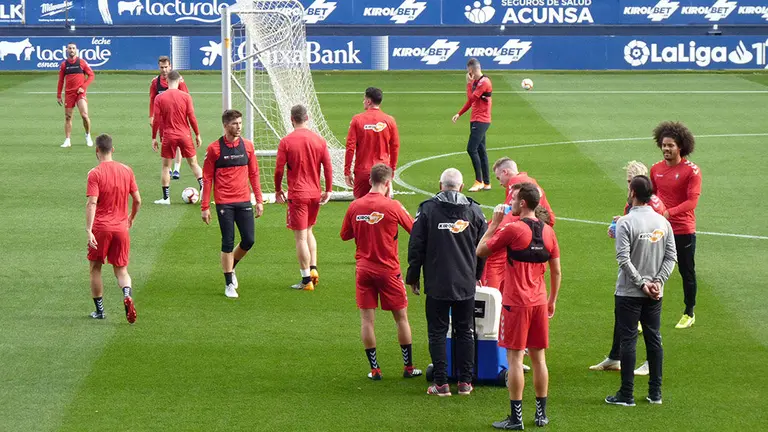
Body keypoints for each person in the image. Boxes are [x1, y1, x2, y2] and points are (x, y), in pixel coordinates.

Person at [477, 183, 562, 430]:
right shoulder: (548, 232)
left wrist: (493, 224)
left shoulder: (513, 229)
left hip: (515, 303)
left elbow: (480, 250)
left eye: (514, 199)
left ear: (523, 203)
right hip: (538, 301)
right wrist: (552, 300)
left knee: (514, 360)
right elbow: (556, 271)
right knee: (539, 359)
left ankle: (516, 418)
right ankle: (541, 414)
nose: (511, 202)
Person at [406, 168, 487, 397]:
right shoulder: (474, 211)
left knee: (437, 332)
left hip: (437, 282)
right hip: (465, 282)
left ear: (440, 185)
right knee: (465, 331)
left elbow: (416, 246)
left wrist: (413, 277)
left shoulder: (428, 210)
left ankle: (441, 383)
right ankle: (465, 383)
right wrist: (477, 274)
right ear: (461, 187)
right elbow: (484, 247)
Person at [340, 164, 421, 381]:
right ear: (388, 182)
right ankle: (408, 367)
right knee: (401, 318)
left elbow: (345, 235)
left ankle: (375, 370)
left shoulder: (355, 206)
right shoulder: (393, 206)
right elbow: (415, 229)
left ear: (369, 181)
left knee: (367, 321)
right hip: (388, 270)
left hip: (364, 270)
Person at [605, 175, 676, 407]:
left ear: (633, 193)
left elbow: (623, 259)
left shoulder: (625, 222)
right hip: (655, 294)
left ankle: (627, 394)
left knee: (628, 341)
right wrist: (657, 282)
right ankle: (655, 393)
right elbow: (671, 257)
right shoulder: (663, 223)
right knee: (654, 339)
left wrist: (642, 284)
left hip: (629, 293)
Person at [592, 160, 667, 374]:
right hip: (632, 266)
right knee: (621, 314)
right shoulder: (632, 203)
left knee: (648, 324)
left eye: (630, 182)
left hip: (647, 269)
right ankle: (615, 357)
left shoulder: (653, 205)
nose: (628, 186)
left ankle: (650, 364)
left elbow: (654, 236)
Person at [201, 110, 264, 298]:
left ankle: (231, 267)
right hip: (224, 203)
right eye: (235, 123)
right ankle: (228, 283)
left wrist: (259, 200)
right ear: (225, 125)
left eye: (240, 123)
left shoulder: (248, 147)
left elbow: (254, 174)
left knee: (249, 240)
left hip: (244, 200)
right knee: (227, 241)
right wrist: (205, 207)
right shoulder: (214, 149)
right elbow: (207, 178)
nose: (239, 127)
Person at [274, 105, 333, 291]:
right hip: (315, 193)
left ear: (292, 119)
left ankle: (306, 279)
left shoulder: (286, 141)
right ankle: (313, 268)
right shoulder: (319, 140)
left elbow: (278, 169)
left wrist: (277, 190)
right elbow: (328, 167)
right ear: (307, 118)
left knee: (300, 237)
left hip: (298, 195)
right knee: (309, 231)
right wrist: (329, 189)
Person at [650, 121, 702, 329]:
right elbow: (651, 195)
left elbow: (692, 202)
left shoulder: (692, 171)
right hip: (660, 229)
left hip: (683, 229)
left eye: (670, 145)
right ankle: (645, 314)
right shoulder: (655, 169)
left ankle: (689, 312)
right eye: (664, 145)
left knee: (686, 271)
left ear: (680, 146)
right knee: (651, 269)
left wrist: (668, 212)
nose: (666, 149)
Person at [85, 134, 141, 324]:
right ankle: (127, 293)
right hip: (121, 228)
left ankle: (100, 311)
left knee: (95, 268)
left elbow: (92, 203)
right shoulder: (127, 170)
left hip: (101, 227)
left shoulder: (95, 173)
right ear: (113, 150)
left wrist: (88, 230)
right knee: (122, 271)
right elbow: (138, 200)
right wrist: (131, 218)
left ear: (97, 150)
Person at [482, 157, 556, 292]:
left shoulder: (516, 183)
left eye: (499, 178)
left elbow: (507, 216)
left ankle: (491, 304)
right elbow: (550, 217)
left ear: (505, 172)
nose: (500, 183)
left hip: (524, 232)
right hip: (542, 234)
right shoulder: (530, 182)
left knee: (493, 260)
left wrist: (490, 231)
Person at [151, 70, 203, 205]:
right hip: (185, 134)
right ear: (180, 81)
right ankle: (203, 189)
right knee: (193, 163)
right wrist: (197, 134)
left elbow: (156, 120)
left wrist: (154, 138)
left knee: (165, 166)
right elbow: (192, 117)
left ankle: (166, 198)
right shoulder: (186, 97)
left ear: (166, 81)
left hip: (168, 135)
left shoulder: (160, 98)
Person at [344, 87, 400, 199]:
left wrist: (347, 171)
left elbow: (350, 147)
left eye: (364, 99)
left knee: (360, 208)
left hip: (363, 171)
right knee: (382, 210)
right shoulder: (389, 120)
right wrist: (392, 169)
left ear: (369, 101)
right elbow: (395, 146)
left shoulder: (357, 120)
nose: (363, 101)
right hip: (382, 172)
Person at [452, 58, 492, 192]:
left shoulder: (484, 82)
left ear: (471, 69)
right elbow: (471, 102)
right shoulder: (477, 81)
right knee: (481, 150)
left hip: (481, 120)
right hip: (476, 119)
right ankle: (486, 183)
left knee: (471, 149)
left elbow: (472, 98)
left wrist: (468, 84)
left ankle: (478, 181)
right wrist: (459, 113)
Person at [150, 56, 189, 180]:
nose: (164, 70)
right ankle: (169, 169)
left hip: (177, 117)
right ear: (159, 67)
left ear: (170, 66)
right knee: (166, 141)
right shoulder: (155, 82)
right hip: (163, 119)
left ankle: (177, 169)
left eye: (166, 67)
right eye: (162, 67)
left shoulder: (178, 81)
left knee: (177, 143)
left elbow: (186, 97)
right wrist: (151, 116)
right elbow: (152, 100)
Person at [57, 42, 94, 148]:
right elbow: (60, 81)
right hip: (69, 93)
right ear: (67, 50)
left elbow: (91, 75)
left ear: (76, 50)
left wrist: (83, 86)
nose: (71, 50)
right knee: (68, 117)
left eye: (73, 48)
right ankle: (67, 140)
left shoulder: (82, 62)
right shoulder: (64, 65)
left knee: (84, 115)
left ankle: (88, 135)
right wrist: (59, 95)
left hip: (80, 93)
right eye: (69, 48)